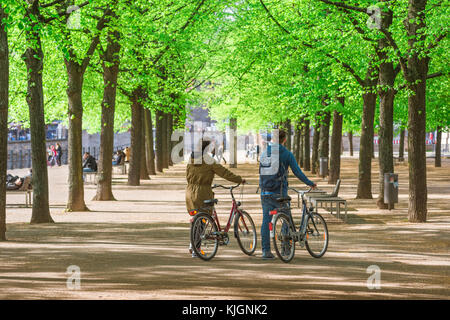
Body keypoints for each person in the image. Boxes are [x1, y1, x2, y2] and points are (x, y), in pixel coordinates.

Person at [259, 129, 316, 260]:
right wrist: (310, 183)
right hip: (280, 193)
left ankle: (266, 251)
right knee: (286, 219)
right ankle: (285, 248)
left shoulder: (264, 153)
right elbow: (297, 172)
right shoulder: (287, 154)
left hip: (265, 192)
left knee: (265, 222)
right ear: (284, 139)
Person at [186, 140, 245, 257]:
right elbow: (225, 173)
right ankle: (195, 247)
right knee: (204, 218)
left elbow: (188, 175)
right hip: (203, 192)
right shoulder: (209, 161)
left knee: (197, 218)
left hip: (190, 192)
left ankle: (193, 244)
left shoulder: (191, 160)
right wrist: (239, 179)